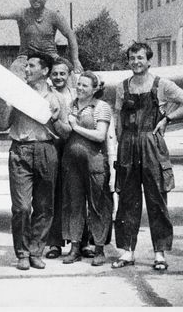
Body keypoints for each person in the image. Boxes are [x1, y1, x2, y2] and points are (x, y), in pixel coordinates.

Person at [111, 42, 183, 271]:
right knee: (127, 200)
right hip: (128, 145)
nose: (136, 62)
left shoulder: (162, 85)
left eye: (140, 58)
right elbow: (118, 118)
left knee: (157, 199)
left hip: (152, 144)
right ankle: (127, 251)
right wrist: (120, 145)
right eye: (132, 58)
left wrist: (167, 119)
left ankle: (159, 253)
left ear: (149, 60)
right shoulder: (121, 87)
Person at [0, 53, 70, 270]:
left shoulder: (57, 98)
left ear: (44, 71)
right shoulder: (17, 94)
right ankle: (22, 253)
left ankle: (36, 251)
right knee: (21, 207)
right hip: (20, 150)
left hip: (47, 150)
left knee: (44, 206)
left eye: (31, 66)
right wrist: (9, 105)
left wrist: (55, 119)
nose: (26, 69)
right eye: (26, 66)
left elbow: (66, 132)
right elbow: (0, 125)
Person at [0, 0, 83, 78]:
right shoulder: (22, 13)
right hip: (25, 57)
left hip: (50, 56)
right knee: (13, 76)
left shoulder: (54, 15)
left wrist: (75, 60)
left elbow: (70, 35)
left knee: (70, 74)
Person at [62, 71, 114, 267]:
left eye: (85, 85)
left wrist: (76, 127)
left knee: (98, 205)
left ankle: (99, 248)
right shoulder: (71, 105)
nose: (80, 88)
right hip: (72, 163)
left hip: (95, 162)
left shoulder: (102, 107)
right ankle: (75, 247)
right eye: (79, 85)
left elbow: (100, 135)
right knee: (74, 205)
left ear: (95, 89)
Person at [44, 59, 75, 259]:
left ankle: (79, 240)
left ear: (69, 75)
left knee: (76, 195)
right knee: (53, 194)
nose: (58, 77)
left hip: (74, 146)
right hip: (54, 145)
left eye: (62, 73)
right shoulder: (47, 96)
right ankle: (54, 243)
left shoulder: (77, 94)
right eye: (55, 74)